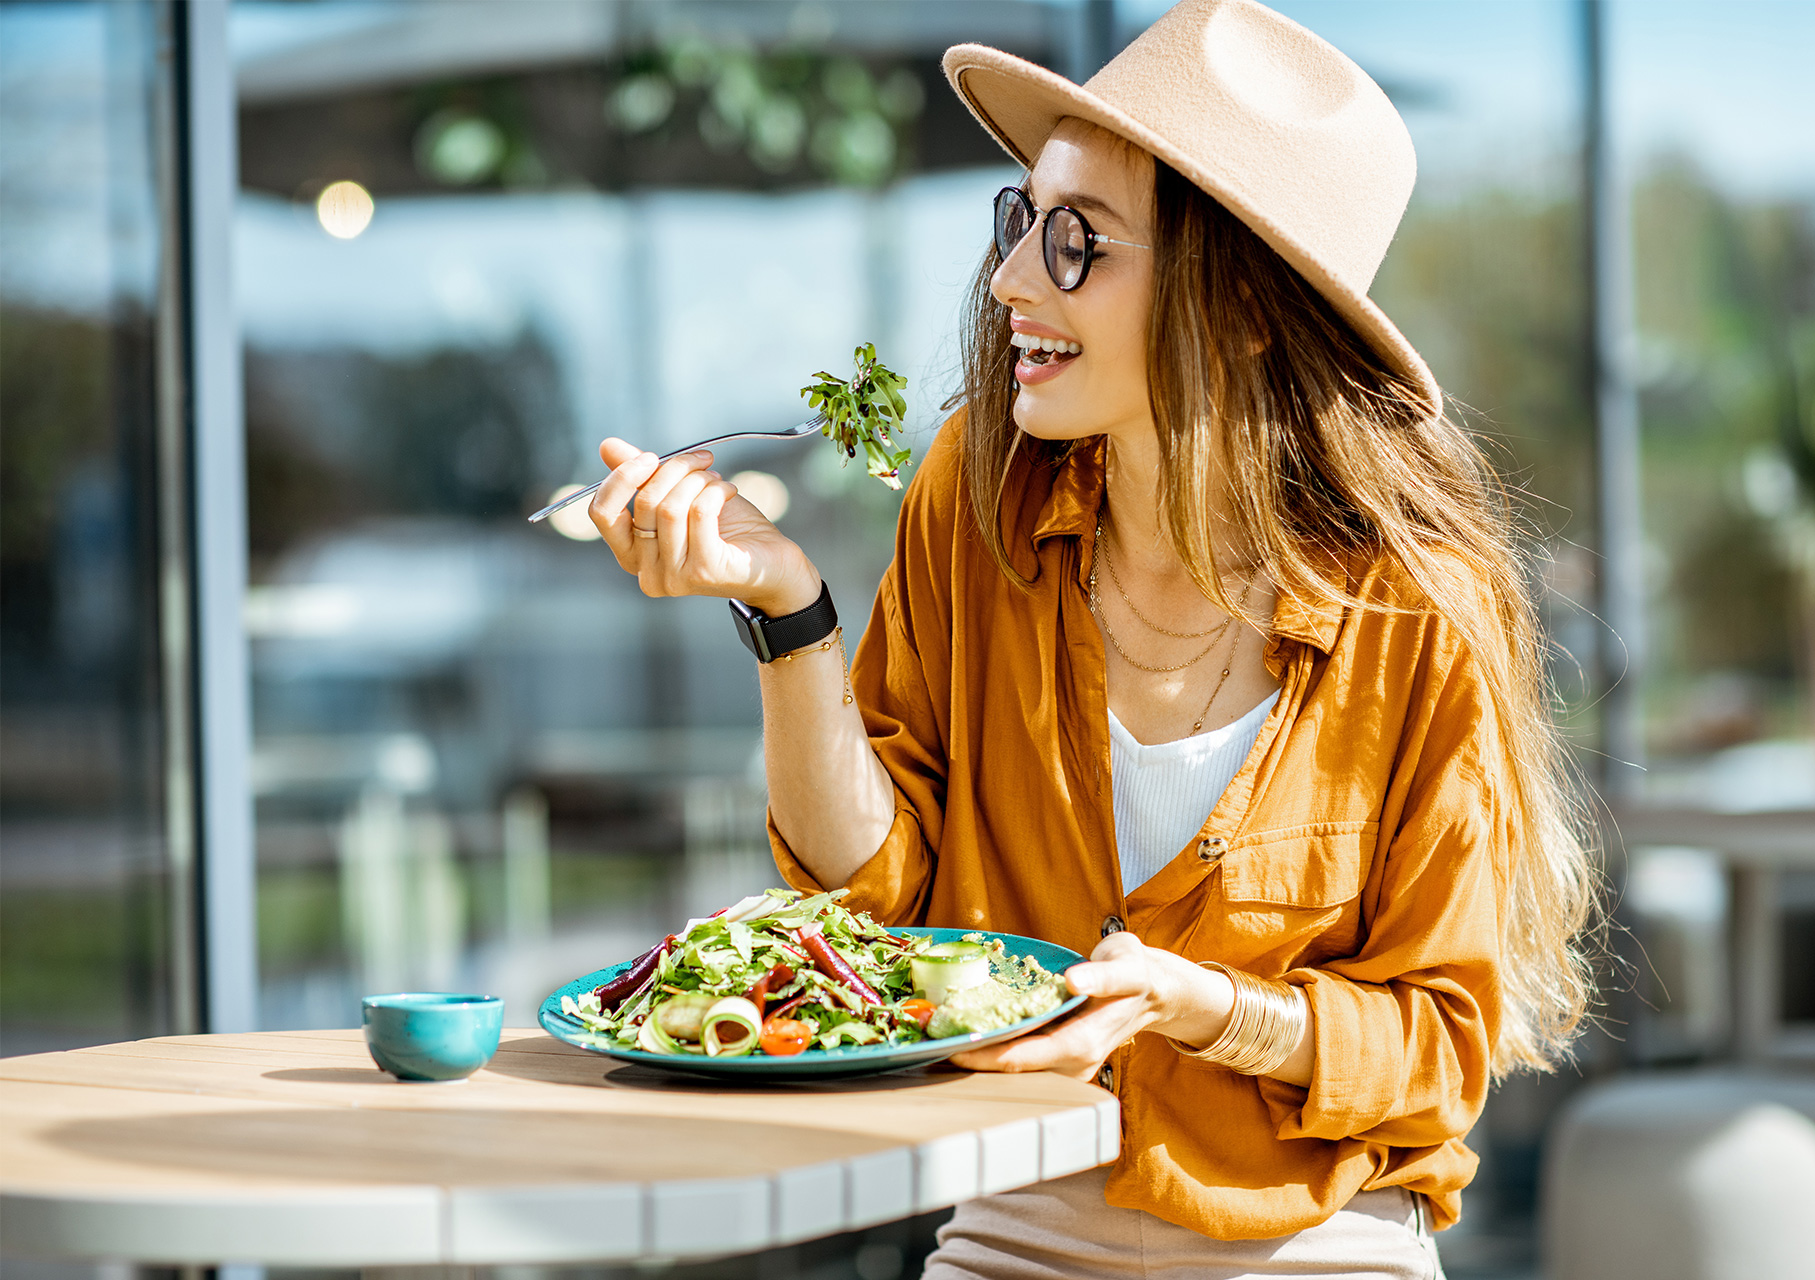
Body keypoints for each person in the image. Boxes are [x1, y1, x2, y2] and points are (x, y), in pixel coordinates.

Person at [587, 0, 1596, 1274]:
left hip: (1315, 1243)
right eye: (1021, 222)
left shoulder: (1419, 607)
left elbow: (1439, 1053)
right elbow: (870, 889)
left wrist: (1211, 1009)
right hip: (1020, 1218)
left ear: (1241, 307)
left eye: (1078, 242)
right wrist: (790, 606)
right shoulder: (974, 494)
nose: (1012, 280)